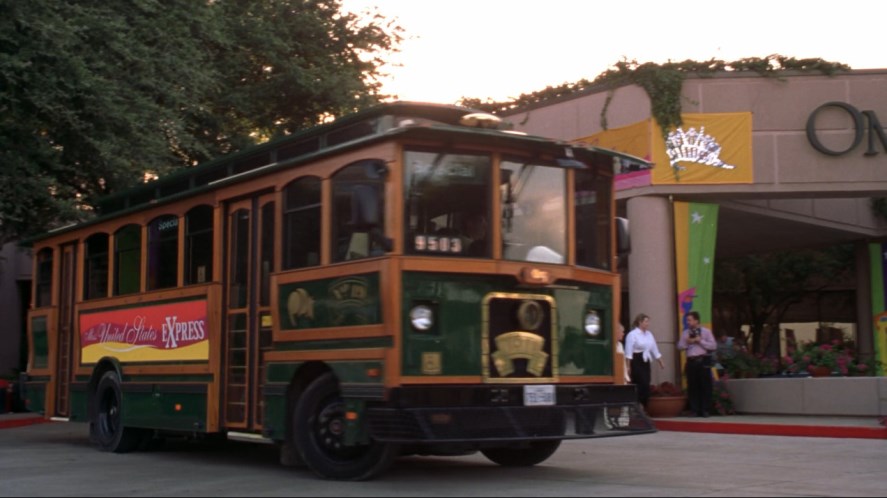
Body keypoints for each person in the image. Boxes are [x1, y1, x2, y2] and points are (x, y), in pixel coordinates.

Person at [677, 310, 718, 417]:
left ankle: (705, 409)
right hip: (691, 361)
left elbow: (713, 346)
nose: (688, 322)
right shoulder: (685, 333)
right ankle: (694, 409)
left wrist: (700, 341)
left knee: (705, 385)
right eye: (687, 320)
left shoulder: (706, 332)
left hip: (702, 360)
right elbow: (679, 346)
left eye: (690, 320)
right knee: (692, 386)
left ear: (696, 320)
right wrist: (687, 342)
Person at [624, 313, 665, 410]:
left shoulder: (649, 334)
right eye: (646, 321)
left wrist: (660, 361)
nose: (648, 324)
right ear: (640, 322)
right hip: (636, 360)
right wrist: (628, 366)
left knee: (646, 383)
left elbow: (654, 349)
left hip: (645, 360)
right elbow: (628, 352)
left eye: (648, 321)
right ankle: (637, 405)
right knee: (640, 383)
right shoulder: (632, 334)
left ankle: (643, 405)